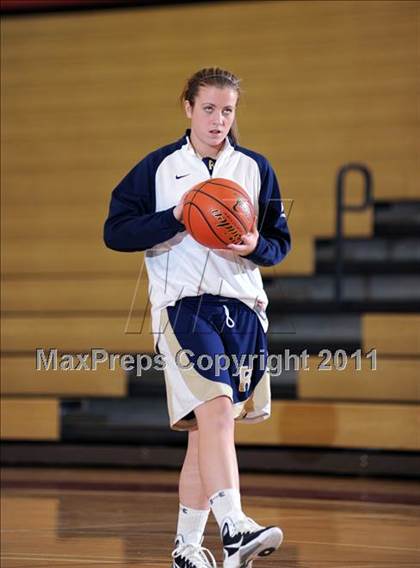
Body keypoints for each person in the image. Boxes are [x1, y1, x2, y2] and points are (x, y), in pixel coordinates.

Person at [104, 67, 291, 568]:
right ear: (188, 108)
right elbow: (116, 231)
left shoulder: (254, 168)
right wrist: (176, 217)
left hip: (243, 309)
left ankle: (188, 548)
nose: (218, 120)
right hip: (183, 306)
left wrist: (257, 244)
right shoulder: (159, 168)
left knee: (208, 429)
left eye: (227, 110)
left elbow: (279, 243)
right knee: (215, 408)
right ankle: (233, 525)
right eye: (208, 108)